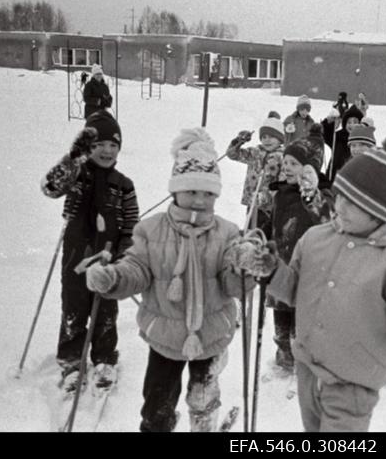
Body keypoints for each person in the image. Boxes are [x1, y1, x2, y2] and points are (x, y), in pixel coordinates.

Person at [84, 128, 266, 432]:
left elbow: (232, 284)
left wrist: (245, 270)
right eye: (192, 191)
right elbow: (137, 270)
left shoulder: (227, 232)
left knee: (203, 396)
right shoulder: (150, 230)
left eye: (208, 193)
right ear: (175, 190)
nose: (199, 200)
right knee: (157, 403)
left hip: (210, 335)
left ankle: (204, 425)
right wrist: (113, 278)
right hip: (164, 337)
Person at [266, 149, 386, 432]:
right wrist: (269, 269)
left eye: (352, 203)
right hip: (307, 365)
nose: (339, 206)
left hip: (353, 382)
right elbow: (295, 289)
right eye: (339, 196)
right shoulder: (315, 239)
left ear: (378, 212)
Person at [40, 111, 139, 396]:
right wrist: (72, 158)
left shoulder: (123, 184)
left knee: (106, 309)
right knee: (74, 307)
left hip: (110, 259)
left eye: (113, 145)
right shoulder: (76, 174)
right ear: (88, 148)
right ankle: (72, 362)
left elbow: (131, 224)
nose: (107, 151)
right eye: (99, 145)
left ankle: (105, 359)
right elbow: (50, 187)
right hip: (75, 255)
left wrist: (124, 253)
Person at [266, 137, 333, 373]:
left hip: (307, 270)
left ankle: (303, 364)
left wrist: (311, 195)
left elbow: (328, 220)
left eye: (293, 163)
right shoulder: (281, 194)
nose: (286, 167)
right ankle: (284, 357)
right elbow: (271, 226)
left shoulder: (322, 193)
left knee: (301, 322)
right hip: (282, 265)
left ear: (309, 169)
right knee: (281, 320)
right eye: (285, 162)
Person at [225, 112, 285, 238]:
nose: (266, 140)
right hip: (252, 203)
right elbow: (232, 154)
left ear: (280, 139)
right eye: (263, 137)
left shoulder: (282, 157)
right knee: (250, 232)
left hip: (269, 208)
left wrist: (266, 197)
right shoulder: (255, 153)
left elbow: (282, 184)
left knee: (263, 235)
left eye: (271, 137)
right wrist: (239, 141)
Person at [321, 104, 364, 181]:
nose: (352, 125)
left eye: (355, 122)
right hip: (335, 177)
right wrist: (329, 124)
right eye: (349, 122)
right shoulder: (337, 137)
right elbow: (327, 136)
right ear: (344, 124)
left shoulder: (363, 139)